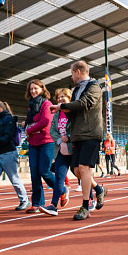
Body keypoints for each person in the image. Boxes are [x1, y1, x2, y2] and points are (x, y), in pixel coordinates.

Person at [50, 60, 107, 220]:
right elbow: (73, 111)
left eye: (72, 73)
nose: (72, 76)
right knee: (77, 171)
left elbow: (85, 103)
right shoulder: (75, 90)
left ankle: (85, 206)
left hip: (90, 134)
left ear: (78, 72)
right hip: (77, 135)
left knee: (83, 168)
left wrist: (61, 106)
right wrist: (62, 109)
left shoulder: (94, 87)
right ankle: (99, 189)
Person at [23, 79, 56, 213]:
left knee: (44, 171)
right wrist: (26, 126)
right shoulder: (31, 106)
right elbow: (32, 122)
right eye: (31, 89)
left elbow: (46, 121)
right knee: (34, 174)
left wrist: (29, 130)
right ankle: (37, 203)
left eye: (36, 88)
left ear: (42, 89)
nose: (33, 91)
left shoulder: (46, 103)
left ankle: (62, 190)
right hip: (33, 143)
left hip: (46, 142)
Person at [39, 88, 73, 216]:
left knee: (81, 173)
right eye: (58, 97)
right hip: (60, 149)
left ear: (69, 99)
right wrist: (60, 140)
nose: (60, 99)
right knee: (59, 177)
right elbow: (52, 130)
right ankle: (53, 205)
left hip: (74, 147)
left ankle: (92, 196)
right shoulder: (56, 115)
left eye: (63, 97)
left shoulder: (74, 113)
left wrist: (68, 137)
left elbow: (77, 127)